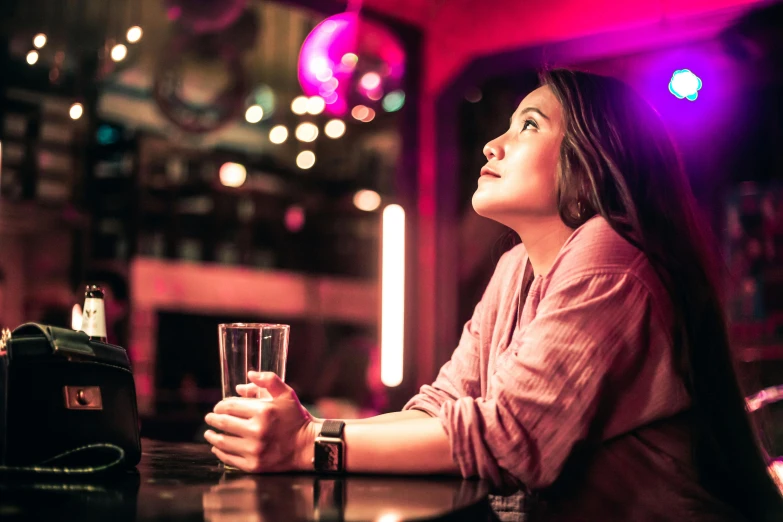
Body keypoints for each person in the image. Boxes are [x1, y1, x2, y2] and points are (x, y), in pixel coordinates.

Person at [203, 69, 783, 521]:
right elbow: (442, 407)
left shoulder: (611, 260)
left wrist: (309, 445)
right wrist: (305, 428)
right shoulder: (515, 268)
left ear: (592, 159)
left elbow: (509, 437)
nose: (492, 145)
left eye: (528, 125)